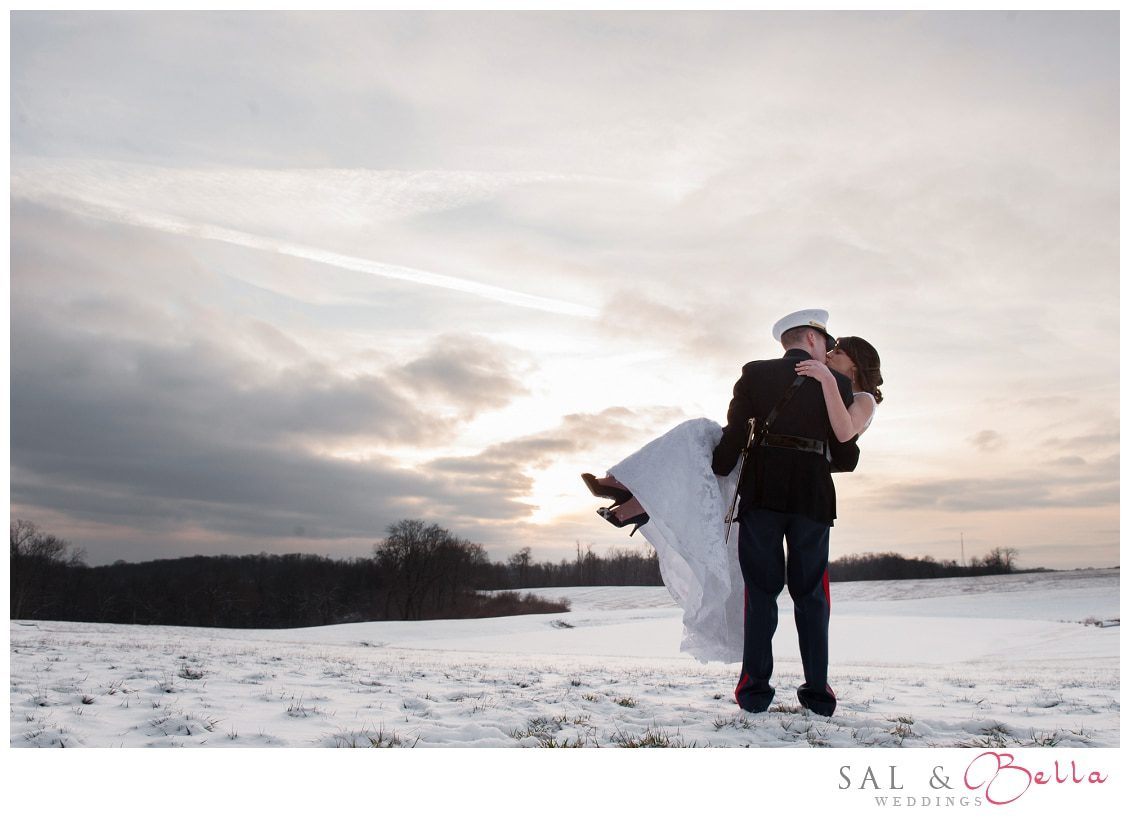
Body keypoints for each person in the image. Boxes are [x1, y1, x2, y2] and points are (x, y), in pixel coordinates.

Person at [582, 310, 883, 717]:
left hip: (761, 493)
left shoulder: (756, 373)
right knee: (811, 597)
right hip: (812, 497)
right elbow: (845, 455)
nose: (830, 350)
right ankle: (817, 693)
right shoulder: (841, 386)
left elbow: (731, 449)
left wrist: (717, 469)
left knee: (760, 596)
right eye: (827, 343)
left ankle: (754, 691)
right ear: (813, 338)